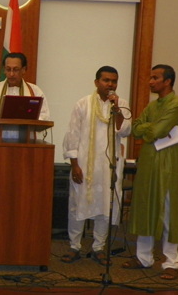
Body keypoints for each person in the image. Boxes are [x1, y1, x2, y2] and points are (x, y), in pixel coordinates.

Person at [60, 66, 131, 265]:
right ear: (96, 82)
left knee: (104, 205)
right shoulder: (83, 104)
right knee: (77, 205)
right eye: (106, 80)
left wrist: (117, 110)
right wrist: (74, 164)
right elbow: (72, 135)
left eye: (114, 81)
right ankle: (75, 246)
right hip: (84, 165)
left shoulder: (122, 104)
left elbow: (124, 131)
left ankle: (98, 247)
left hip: (109, 166)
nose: (110, 84)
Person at [122, 64, 178, 281]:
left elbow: (155, 131)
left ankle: (171, 262)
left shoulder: (176, 104)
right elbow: (135, 128)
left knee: (166, 213)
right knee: (144, 208)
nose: (150, 81)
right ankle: (144, 257)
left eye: (155, 78)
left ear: (167, 81)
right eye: (150, 77)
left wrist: (148, 129)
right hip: (148, 163)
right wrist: (149, 129)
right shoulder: (153, 105)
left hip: (166, 166)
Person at [0, 52, 50, 121]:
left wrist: (28, 123)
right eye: (8, 69)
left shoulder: (35, 91)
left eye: (16, 70)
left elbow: (44, 116)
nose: (11, 74)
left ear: (23, 70)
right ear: (4, 70)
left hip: (26, 133)